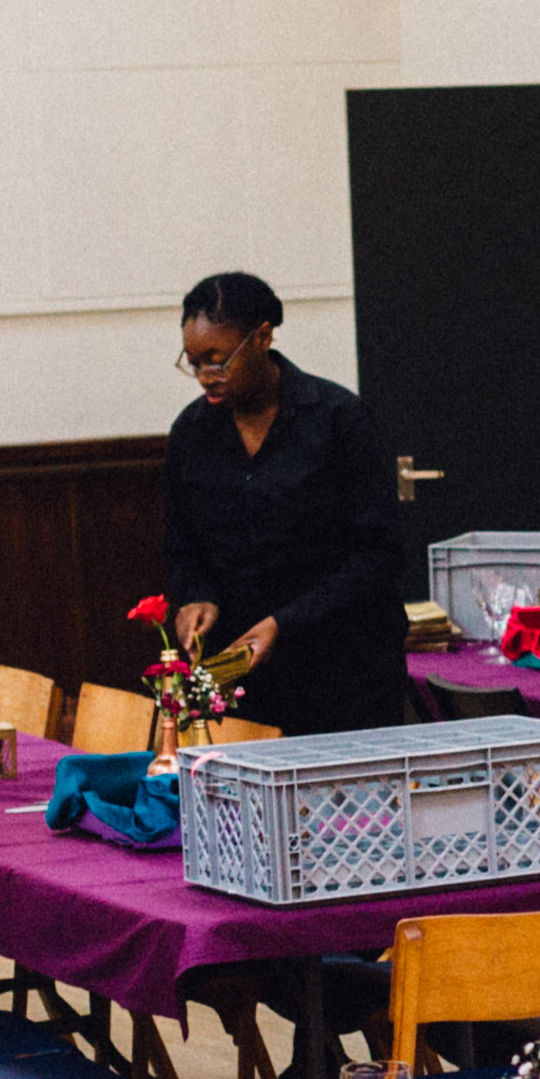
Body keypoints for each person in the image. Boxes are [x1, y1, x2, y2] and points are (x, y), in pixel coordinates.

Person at [159, 273, 406, 736]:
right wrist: (195, 596)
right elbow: (182, 545)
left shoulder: (338, 418)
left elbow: (379, 553)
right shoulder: (191, 432)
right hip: (243, 677)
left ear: (262, 337)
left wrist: (285, 623)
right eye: (194, 364)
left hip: (345, 671)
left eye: (217, 360)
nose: (206, 376)